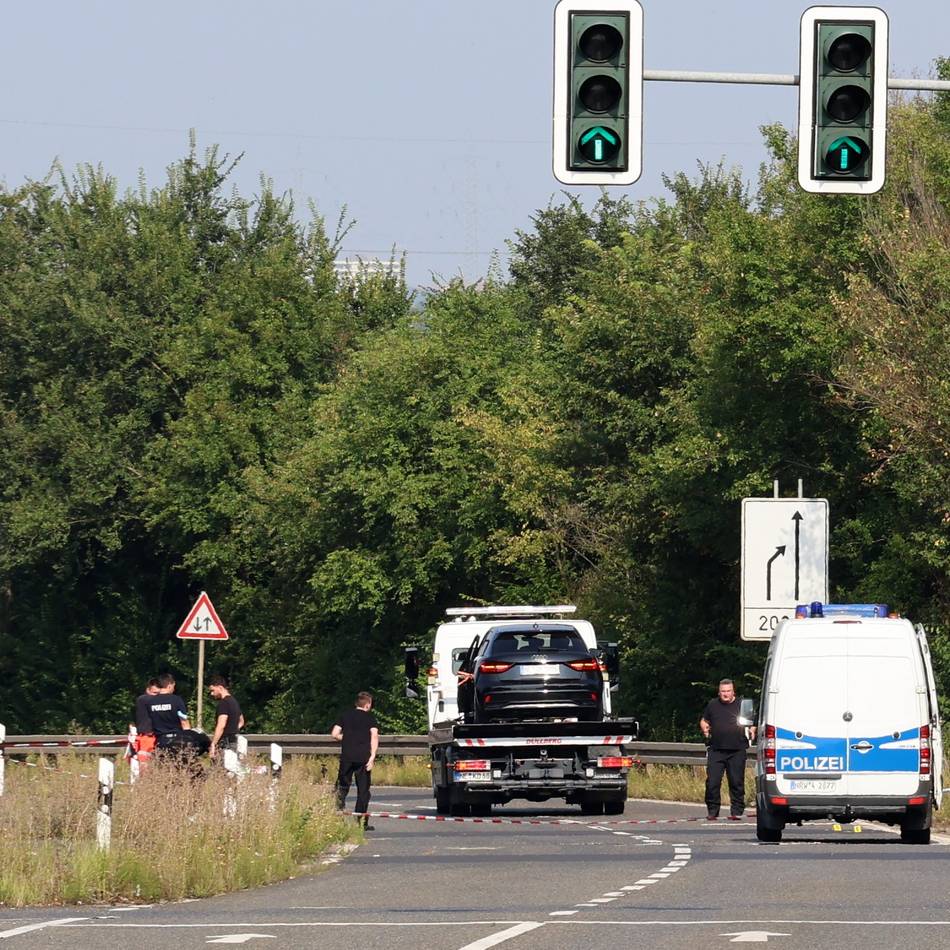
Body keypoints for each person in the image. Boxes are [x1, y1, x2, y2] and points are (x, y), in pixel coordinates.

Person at [699, 678, 755, 820]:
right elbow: (704, 720)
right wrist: (704, 728)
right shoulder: (713, 705)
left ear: (733, 691)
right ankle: (713, 811)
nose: (725, 694)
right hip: (716, 749)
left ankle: (736, 811)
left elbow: (753, 722)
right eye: (723, 691)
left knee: (736, 782)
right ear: (719, 692)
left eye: (728, 691)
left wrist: (753, 730)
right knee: (712, 782)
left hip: (737, 749)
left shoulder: (742, 704)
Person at [331, 691, 379, 830]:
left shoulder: (345, 716)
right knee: (363, 790)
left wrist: (347, 738)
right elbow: (374, 736)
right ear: (367, 705)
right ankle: (360, 822)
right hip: (363, 758)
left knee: (342, 787)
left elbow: (334, 734)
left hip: (347, 757)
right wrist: (372, 757)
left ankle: (337, 815)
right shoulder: (370, 718)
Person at [207, 674, 244, 761]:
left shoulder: (223, 703)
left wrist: (213, 744)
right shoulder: (234, 701)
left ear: (220, 687)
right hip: (234, 741)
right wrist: (233, 730)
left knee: (219, 769)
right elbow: (241, 721)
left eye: (213, 690)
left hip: (225, 743)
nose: (212, 694)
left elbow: (221, 725)